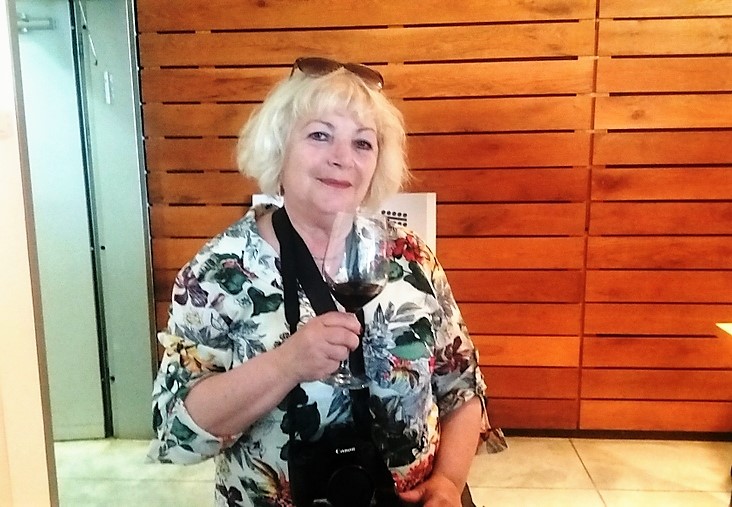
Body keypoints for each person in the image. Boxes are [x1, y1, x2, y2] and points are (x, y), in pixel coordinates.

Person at [148, 56, 502, 507]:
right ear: (280, 147)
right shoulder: (219, 271)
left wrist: (449, 481)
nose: (342, 158)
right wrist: (286, 364)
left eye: (362, 143)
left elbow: (462, 388)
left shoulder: (409, 257)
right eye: (320, 135)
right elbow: (176, 432)